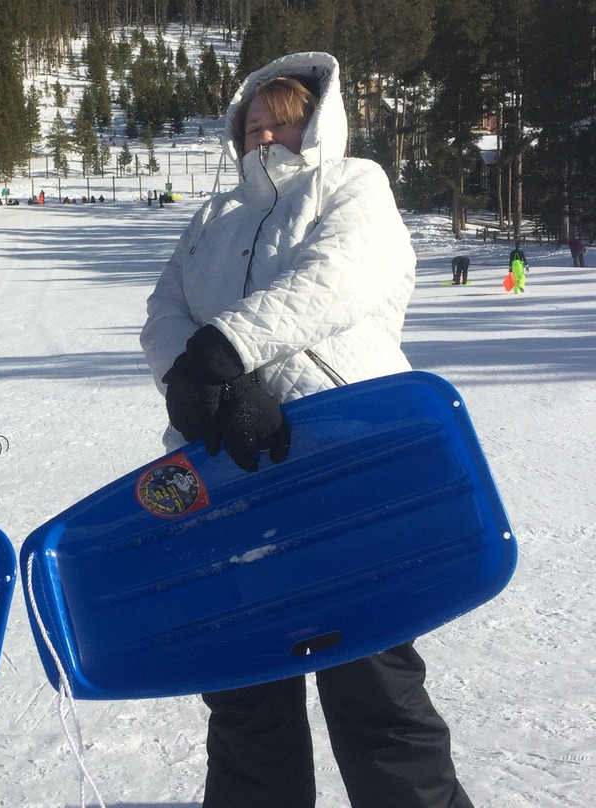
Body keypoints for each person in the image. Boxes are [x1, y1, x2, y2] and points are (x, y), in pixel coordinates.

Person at [140, 52, 473, 808]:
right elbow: (164, 313)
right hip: (232, 474)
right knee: (246, 695)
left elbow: (341, 275)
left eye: (282, 124)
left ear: (317, 124)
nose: (264, 140)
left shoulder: (355, 184)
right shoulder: (211, 220)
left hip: (342, 460)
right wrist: (195, 389)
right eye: (252, 128)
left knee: (375, 687)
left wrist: (228, 350)